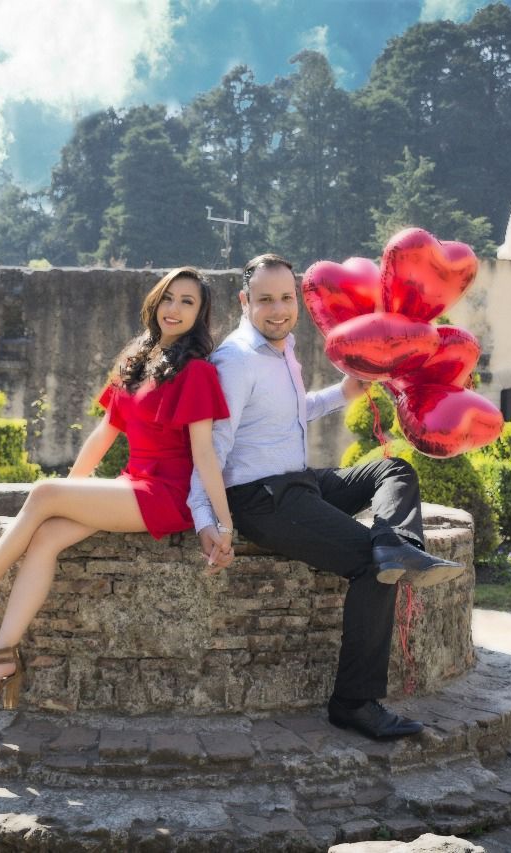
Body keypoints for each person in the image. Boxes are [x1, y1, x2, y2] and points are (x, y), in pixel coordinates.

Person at [0, 267, 234, 710]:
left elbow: (205, 454)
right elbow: (103, 435)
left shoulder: (197, 372)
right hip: (131, 484)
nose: (174, 309)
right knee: (45, 536)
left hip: (167, 494)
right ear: (155, 302)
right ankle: (2, 657)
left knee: (44, 492)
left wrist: (223, 524)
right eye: (168, 298)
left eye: (187, 302)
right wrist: (69, 497)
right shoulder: (136, 359)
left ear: (200, 314)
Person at [187, 253, 463, 741]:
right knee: (370, 567)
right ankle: (353, 704)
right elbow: (211, 446)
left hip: (298, 483)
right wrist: (209, 520)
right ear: (244, 301)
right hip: (262, 499)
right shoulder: (237, 360)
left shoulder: (283, 350)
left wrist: (344, 391)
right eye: (265, 300)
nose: (278, 310)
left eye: (286, 298)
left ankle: (397, 544)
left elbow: (290, 412)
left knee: (393, 469)